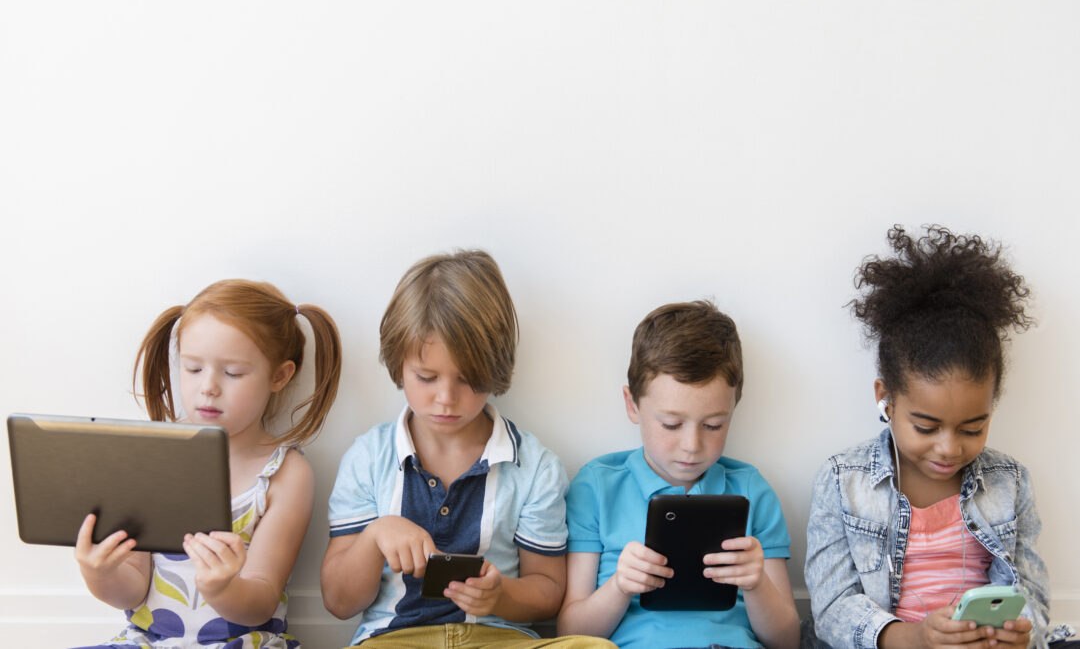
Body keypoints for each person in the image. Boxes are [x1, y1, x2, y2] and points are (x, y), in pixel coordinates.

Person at [321, 250, 613, 648]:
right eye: (426, 377)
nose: (446, 398)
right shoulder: (368, 458)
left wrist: (501, 596)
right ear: (398, 364)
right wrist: (374, 537)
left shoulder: (535, 466)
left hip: (498, 638)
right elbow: (338, 601)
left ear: (494, 369)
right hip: (393, 639)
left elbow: (547, 590)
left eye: (468, 380)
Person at [804, 225, 1067, 649]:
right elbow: (833, 609)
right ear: (885, 399)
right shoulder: (842, 480)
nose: (949, 448)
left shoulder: (1010, 481)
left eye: (973, 428)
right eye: (926, 427)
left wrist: (1020, 634)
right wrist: (917, 637)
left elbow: (1029, 595)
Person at [73, 279, 343, 649]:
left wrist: (223, 587)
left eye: (232, 373)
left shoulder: (285, 473)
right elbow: (132, 590)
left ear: (280, 376)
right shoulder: (152, 455)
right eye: (194, 369)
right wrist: (98, 572)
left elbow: (261, 600)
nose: (209, 387)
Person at [557, 300, 800, 649]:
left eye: (714, 425)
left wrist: (756, 583)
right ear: (632, 405)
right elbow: (570, 634)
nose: (691, 445)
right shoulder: (597, 486)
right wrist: (620, 586)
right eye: (671, 424)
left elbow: (788, 641)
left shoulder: (750, 489)